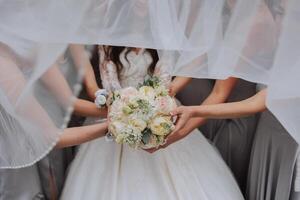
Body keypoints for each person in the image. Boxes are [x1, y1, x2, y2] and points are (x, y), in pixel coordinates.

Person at [61, 45, 244, 200]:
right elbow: (95, 88)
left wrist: (156, 105)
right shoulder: (109, 37)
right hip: (116, 114)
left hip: (160, 111)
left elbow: (173, 82)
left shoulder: (165, 31)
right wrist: (119, 106)